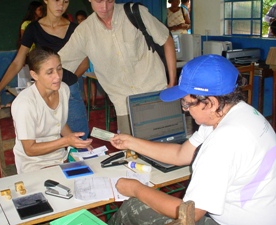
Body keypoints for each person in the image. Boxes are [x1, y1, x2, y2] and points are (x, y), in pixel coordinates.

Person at [107, 54, 276, 225]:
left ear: (211, 103)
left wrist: (136, 189)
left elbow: (190, 214)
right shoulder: (237, 113)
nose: (185, 110)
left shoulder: (222, 143)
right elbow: (181, 154)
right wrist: (131, 142)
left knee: (132, 208)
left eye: (187, 104)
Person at [59, 1, 177, 135]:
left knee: (166, 145)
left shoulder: (134, 12)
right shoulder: (84, 31)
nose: (104, 7)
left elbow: (166, 39)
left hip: (156, 93)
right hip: (123, 104)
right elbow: (60, 62)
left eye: (109, 0)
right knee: (132, 152)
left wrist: (172, 82)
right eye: (98, 1)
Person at [0, 0, 90, 139]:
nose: (61, 6)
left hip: (70, 92)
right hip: (43, 95)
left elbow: (84, 62)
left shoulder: (75, 29)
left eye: (65, 1)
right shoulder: (33, 28)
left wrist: (65, 82)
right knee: (47, 142)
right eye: (57, 0)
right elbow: (18, 62)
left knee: (80, 138)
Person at [11, 47, 92, 174]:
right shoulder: (25, 103)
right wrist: (66, 141)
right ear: (34, 75)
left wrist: (77, 142)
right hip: (34, 164)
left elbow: (59, 122)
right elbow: (30, 149)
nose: (57, 77)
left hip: (60, 158)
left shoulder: (63, 89)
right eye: (50, 72)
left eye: (59, 69)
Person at [75, 10, 97, 108]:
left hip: (92, 58)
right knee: (84, 81)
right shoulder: (77, 31)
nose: (80, 22)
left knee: (93, 80)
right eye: (78, 20)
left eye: (82, 19)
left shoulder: (90, 29)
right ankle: (87, 101)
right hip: (83, 58)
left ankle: (93, 102)